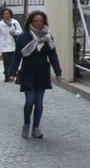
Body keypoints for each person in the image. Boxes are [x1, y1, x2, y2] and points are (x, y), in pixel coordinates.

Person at [13, 10, 62, 138]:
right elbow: (17, 56)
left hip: (42, 73)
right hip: (28, 72)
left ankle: (36, 128)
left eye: (41, 21)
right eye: (36, 21)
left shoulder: (48, 37)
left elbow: (53, 55)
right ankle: (26, 124)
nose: (38, 23)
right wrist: (11, 72)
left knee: (39, 102)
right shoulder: (23, 37)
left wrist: (58, 72)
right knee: (30, 101)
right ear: (31, 22)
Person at [0, 8, 22, 82]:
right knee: (6, 62)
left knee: (13, 62)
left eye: (7, 14)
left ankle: (11, 75)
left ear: (10, 14)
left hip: (13, 45)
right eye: (4, 14)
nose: (6, 15)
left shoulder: (15, 22)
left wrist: (15, 32)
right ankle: (7, 76)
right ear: (2, 15)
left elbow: (21, 31)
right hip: (4, 46)